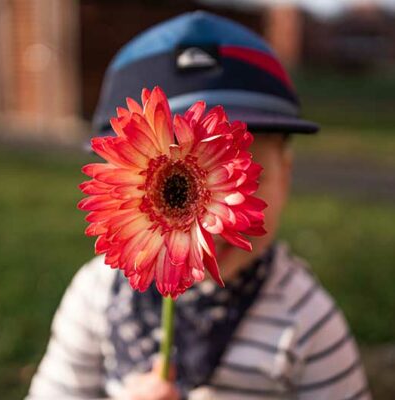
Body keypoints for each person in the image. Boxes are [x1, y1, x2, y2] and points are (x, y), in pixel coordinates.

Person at [27, 11, 370, 400]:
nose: (216, 226)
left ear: (287, 175)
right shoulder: (94, 297)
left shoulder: (307, 320)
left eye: (247, 179)